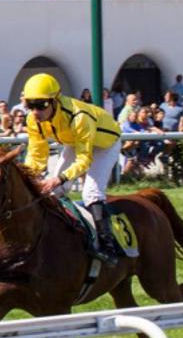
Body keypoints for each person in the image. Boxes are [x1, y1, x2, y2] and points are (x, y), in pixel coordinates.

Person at [21, 73, 124, 265]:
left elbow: (85, 160)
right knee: (55, 192)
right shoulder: (32, 120)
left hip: (105, 145)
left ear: (55, 101)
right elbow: (36, 154)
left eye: (41, 104)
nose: (35, 111)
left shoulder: (79, 117)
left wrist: (58, 178)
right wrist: (27, 177)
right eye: (30, 105)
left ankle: (108, 247)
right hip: (74, 142)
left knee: (91, 193)